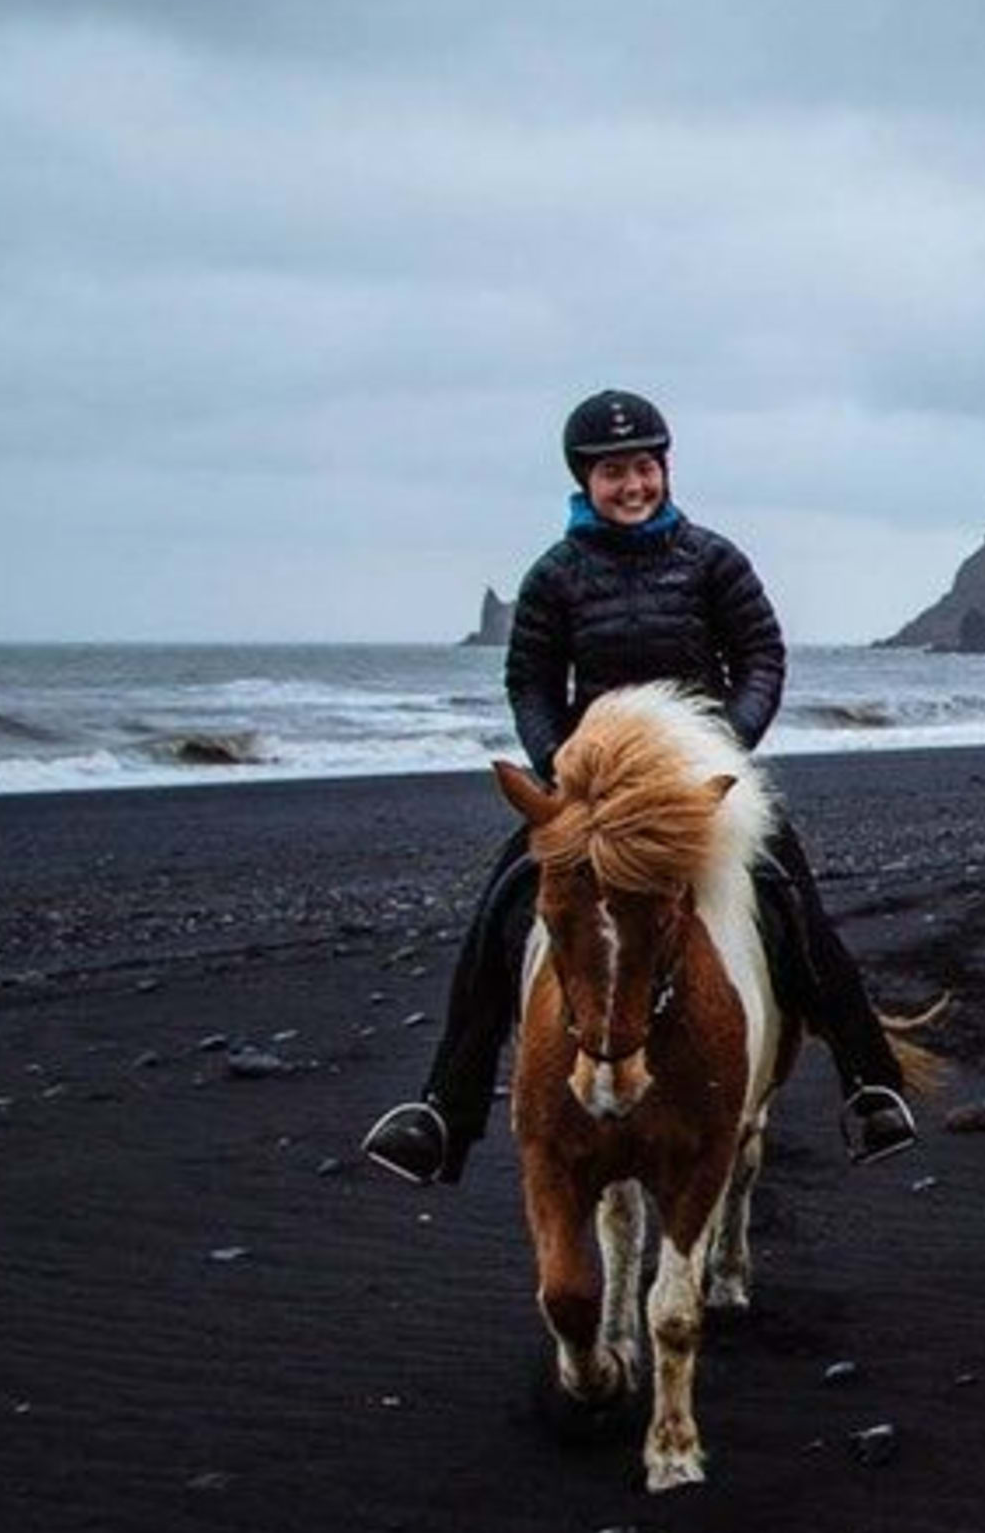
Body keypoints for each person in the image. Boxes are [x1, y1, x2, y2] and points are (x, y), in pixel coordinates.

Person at [361, 388, 919, 1186]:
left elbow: (762, 655)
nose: (634, 485)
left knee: (792, 901)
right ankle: (444, 1107)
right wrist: (562, 767)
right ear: (585, 480)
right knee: (499, 908)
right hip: (593, 792)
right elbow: (530, 682)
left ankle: (870, 1085)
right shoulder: (554, 575)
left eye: (646, 468)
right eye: (615, 472)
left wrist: (721, 742)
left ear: (665, 470)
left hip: (697, 784)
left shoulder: (713, 558)